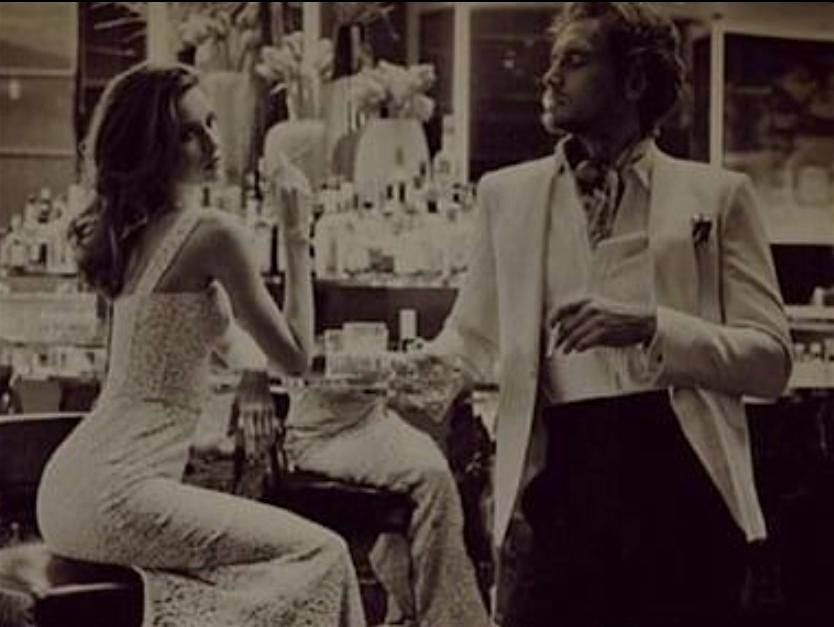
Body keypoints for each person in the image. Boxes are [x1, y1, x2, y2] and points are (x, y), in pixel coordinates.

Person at [428, 3, 793, 626]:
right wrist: (412, 372)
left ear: (634, 80)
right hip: (560, 485)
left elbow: (771, 363)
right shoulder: (506, 196)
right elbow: (471, 337)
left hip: (685, 486)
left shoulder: (719, 196)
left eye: (575, 60)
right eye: (553, 60)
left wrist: (653, 326)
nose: (551, 77)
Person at [35, 62, 366, 627]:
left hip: (66, 492)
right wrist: (296, 235)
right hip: (120, 494)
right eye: (189, 133)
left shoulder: (133, 234)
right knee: (323, 553)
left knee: (239, 579)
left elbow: (223, 339)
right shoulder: (212, 232)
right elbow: (296, 357)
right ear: (152, 149)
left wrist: (251, 372)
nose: (213, 143)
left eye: (211, 122)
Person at [221, 127, 491, 627]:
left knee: (442, 472)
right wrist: (251, 373)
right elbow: (238, 327)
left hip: (369, 413)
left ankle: (419, 609)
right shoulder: (254, 238)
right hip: (311, 426)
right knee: (433, 477)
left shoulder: (324, 228)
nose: (302, 180)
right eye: (291, 168)